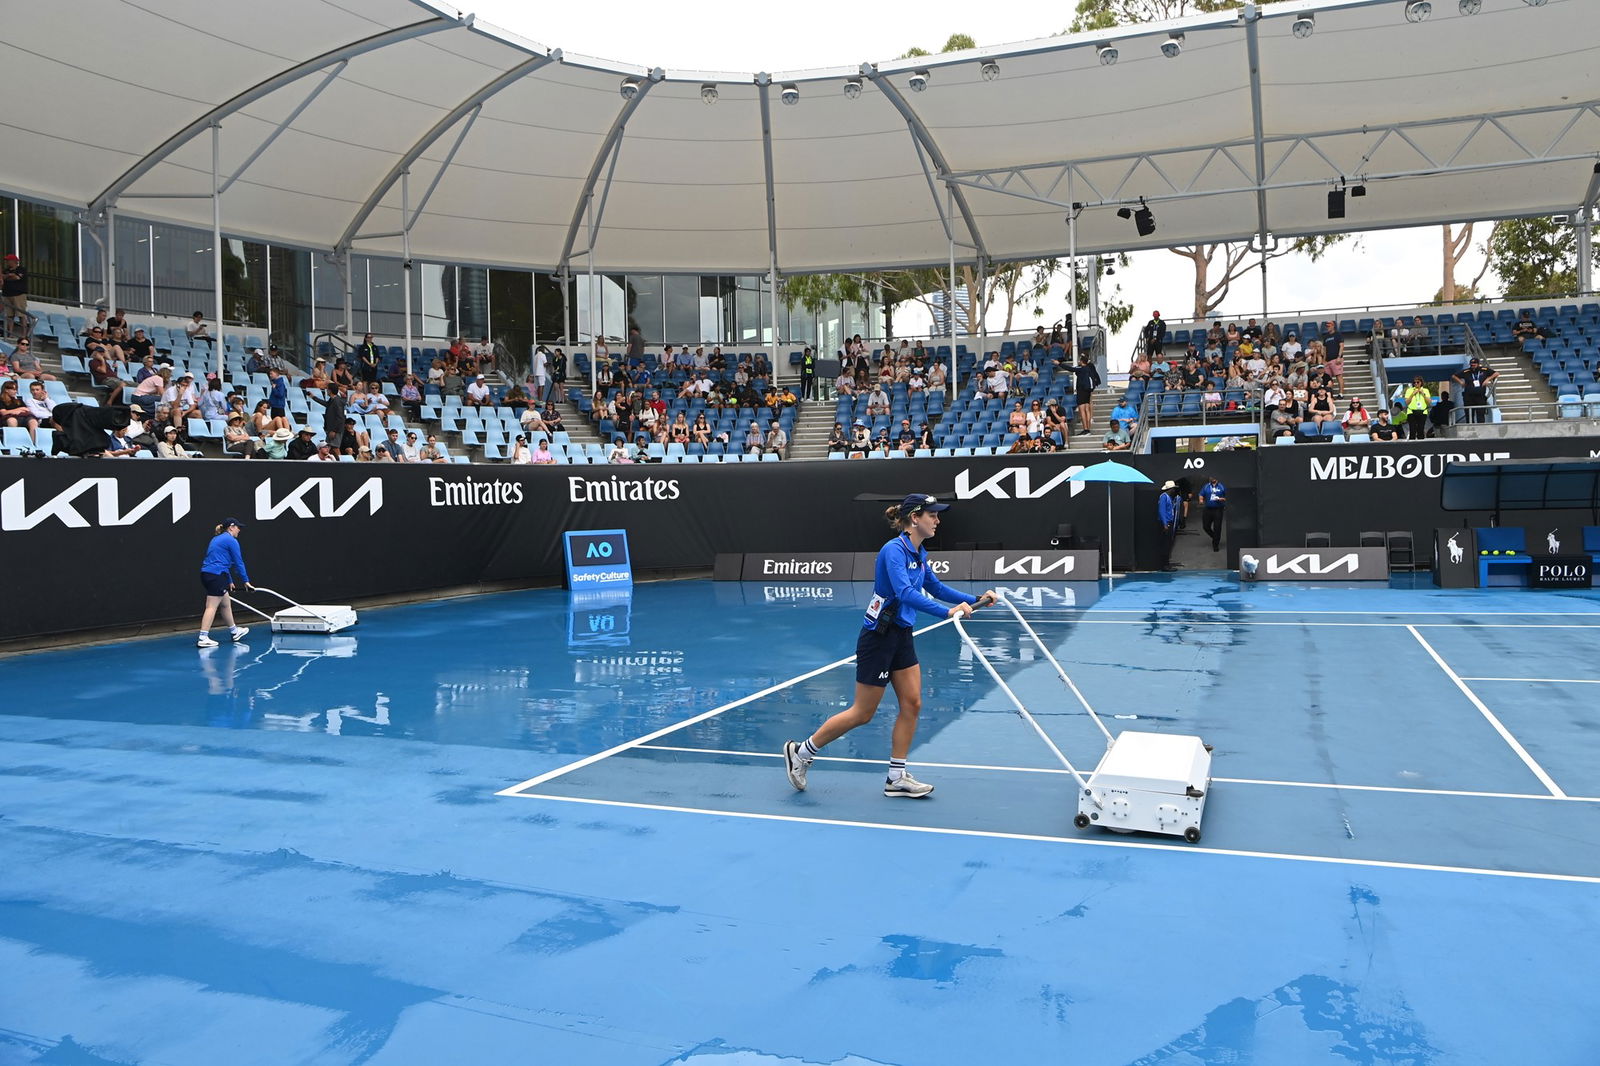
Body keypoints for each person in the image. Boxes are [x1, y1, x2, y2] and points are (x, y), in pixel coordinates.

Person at [783, 494, 997, 799]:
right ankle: (801, 752)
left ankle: (896, 777)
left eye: (938, 515)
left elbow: (935, 587)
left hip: (902, 635)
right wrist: (946, 611)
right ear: (915, 519)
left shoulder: (919, 552)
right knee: (862, 712)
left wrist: (974, 598)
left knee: (912, 703)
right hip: (879, 638)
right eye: (932, 515)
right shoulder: (893, 551)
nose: (937, 520)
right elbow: (906, 592)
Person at [197, 519, 253, 648]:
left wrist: (229, 581)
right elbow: (238, 562)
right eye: (238, 527)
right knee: (211, 606)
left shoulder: (217, 539)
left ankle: (234, 632)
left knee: (225, 604)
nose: (239, 530)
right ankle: (203, 637)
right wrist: (246, 581)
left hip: (208, 574)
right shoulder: (231, 540)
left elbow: (221, 560)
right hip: (216, 575)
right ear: (231, 527)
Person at [1453, 356, 1497, 424]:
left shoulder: (1484, 370)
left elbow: (1496, 373)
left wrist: (1488, 379)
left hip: (1480, 396)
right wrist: (1461, 382)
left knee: (1480, 414)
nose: (1472, 366)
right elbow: (1454, 376)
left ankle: (1481, 429)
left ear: (1478, 364)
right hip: (1468, 397)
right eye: (1471, 364)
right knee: (1469, 415)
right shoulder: (1466, 371)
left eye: (1474, 364)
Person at [1069, 352, 1102, 434]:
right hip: (1088, 387)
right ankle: (1089, 424)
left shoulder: (1085, 367)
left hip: (1085, 388)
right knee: (1087, 405)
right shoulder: (1089, 366)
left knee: (1087, 405)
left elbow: (1094, 374)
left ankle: (1088, 424)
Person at [1, 253, 31, 339]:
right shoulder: (6, 270)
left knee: (21, 314)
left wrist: (8, 277)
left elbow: (17, 278)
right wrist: (9, 276)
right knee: (10, 315)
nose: (7, 262)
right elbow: (2, 277)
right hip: (7, 294)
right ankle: (10, 333)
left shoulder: (21, 269)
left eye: (8, 260)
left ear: (14, 261)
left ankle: (24, 335)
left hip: (19, 295)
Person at [1199, 476, 1227, 552]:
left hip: (1218, 509)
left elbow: (1228, 497)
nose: (1212, 478)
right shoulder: (1206, 486)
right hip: (1208, 509)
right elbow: (1201, 494)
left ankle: (1215, 544)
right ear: (1209, 478)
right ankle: (1215, 537)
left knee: (1217, 527)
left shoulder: (1222, 486)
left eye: (1214, 477)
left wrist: (1222, 499)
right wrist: (1201, 500)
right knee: (1205, 526)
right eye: (1211, 477)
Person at [1157, 480, 1181, 571]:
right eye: (1174, 489)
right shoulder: (1164, 497)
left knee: (1168, 543)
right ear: (1170, 489)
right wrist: (1165, 523)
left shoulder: (1169, 497)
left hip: (1168, 522)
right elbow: (1161, 510)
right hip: (1166, 523)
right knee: (1165, 544)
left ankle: (1166, 563)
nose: (1174, 491)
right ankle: (1164, 565)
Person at [1401, 376, 1431, 441]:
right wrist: (1412, 394)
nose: (1416, 384)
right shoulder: (1409, 390)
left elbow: (1429, 402)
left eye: (1418, 382)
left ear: (1421, 382)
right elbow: (1406, 402)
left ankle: (1421, 447)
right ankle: (1412, 447)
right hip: (1411, 412)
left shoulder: (1426, 390)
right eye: (1414, 382)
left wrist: (1423, 394)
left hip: (1423, 411)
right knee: (1412, 430)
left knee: (1421, 430)